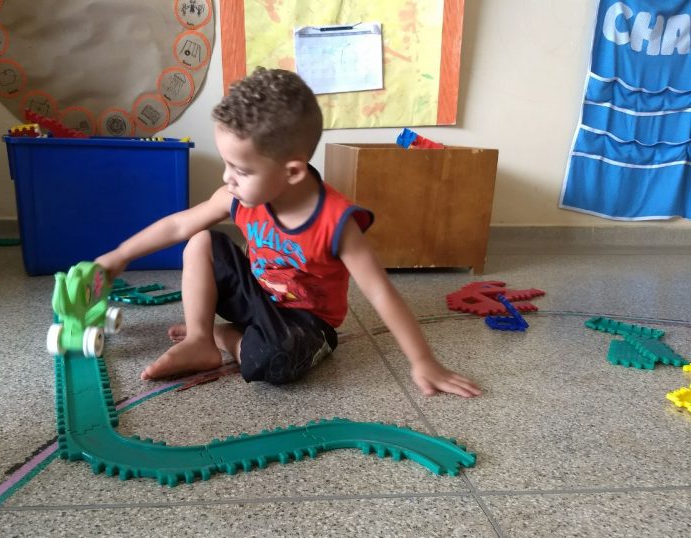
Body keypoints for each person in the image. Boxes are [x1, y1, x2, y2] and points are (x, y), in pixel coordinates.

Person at [95, 67, 481, 398]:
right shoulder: (238, 195)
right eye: (227, 164)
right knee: (201, 241)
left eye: (240, 170)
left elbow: (381, 293)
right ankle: (200, 339)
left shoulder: (336, 222)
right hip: (256, 295)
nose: (227, 178)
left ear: (292, 171)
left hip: (304, 324)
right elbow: (179, 224)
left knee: (275, 362)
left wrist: (423, 361)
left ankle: (225, 336)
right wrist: (120, 255)